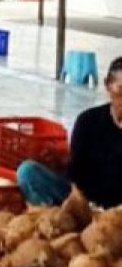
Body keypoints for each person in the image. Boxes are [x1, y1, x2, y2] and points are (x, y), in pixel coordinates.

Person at [16, 56, 122, 208]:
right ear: (107, 85)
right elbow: (76, 172)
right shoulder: (88, 120)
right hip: (84, 202)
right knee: (28, 172)